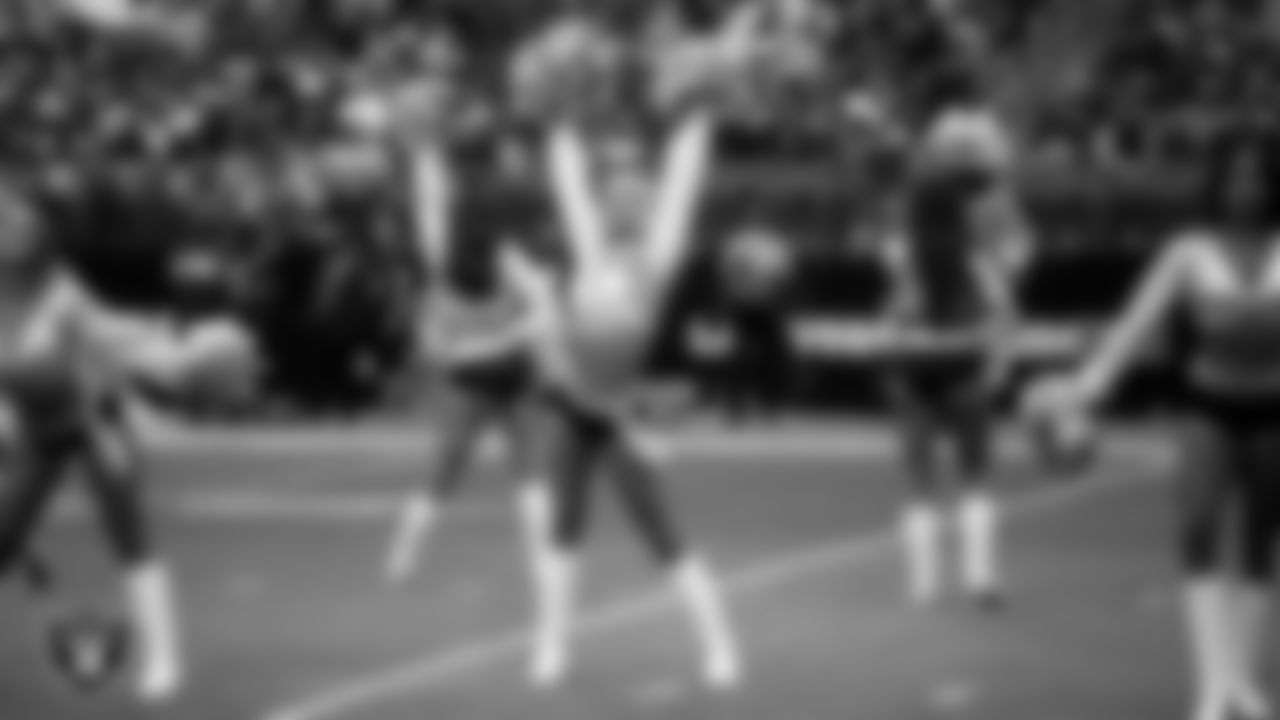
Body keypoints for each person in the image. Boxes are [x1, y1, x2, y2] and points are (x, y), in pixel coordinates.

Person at [1026, 131, 1280, 720]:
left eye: (1258, 174)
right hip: (1206, 401)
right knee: (1198, 523)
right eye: (1236, 174)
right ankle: (1212, 684)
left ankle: (1245, 679)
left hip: (1273, 408)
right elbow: (1136, 324)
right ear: (1218, 182)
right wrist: (1088, 388)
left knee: (1262, 539)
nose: (1246, 186)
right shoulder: (1189, 250)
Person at [524, 46, 742, 687]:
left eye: (633, 195)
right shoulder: (589, 251)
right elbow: (567, 182)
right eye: (613, 193)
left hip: (623, 411)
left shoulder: (658, 259)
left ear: (645, 207)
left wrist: (699, 113)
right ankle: (552, 646)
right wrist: (558, 118)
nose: (621, 202)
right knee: (561, 529)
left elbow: (683, 180)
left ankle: (719, 646)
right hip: (572, 403)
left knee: (660, 534)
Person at [0, 167, 254, 703]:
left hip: (91, 419)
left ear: (46, 238)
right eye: (7, 222)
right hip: (33, 428)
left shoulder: (65, 298)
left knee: (126, 526)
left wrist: (186, 363)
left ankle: (165, 658)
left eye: (25, 225)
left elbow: (121, 350)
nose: (10, 231)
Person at [881, 74, 1028, 610]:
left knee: (955, 467)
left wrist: (997, 358)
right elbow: (1000, 310)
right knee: (955, 468)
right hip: (935, 356)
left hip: (946, 354)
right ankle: (961, 579)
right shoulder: (924, 253)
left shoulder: (962, 249)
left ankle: (963, 579)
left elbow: (1002, 305)